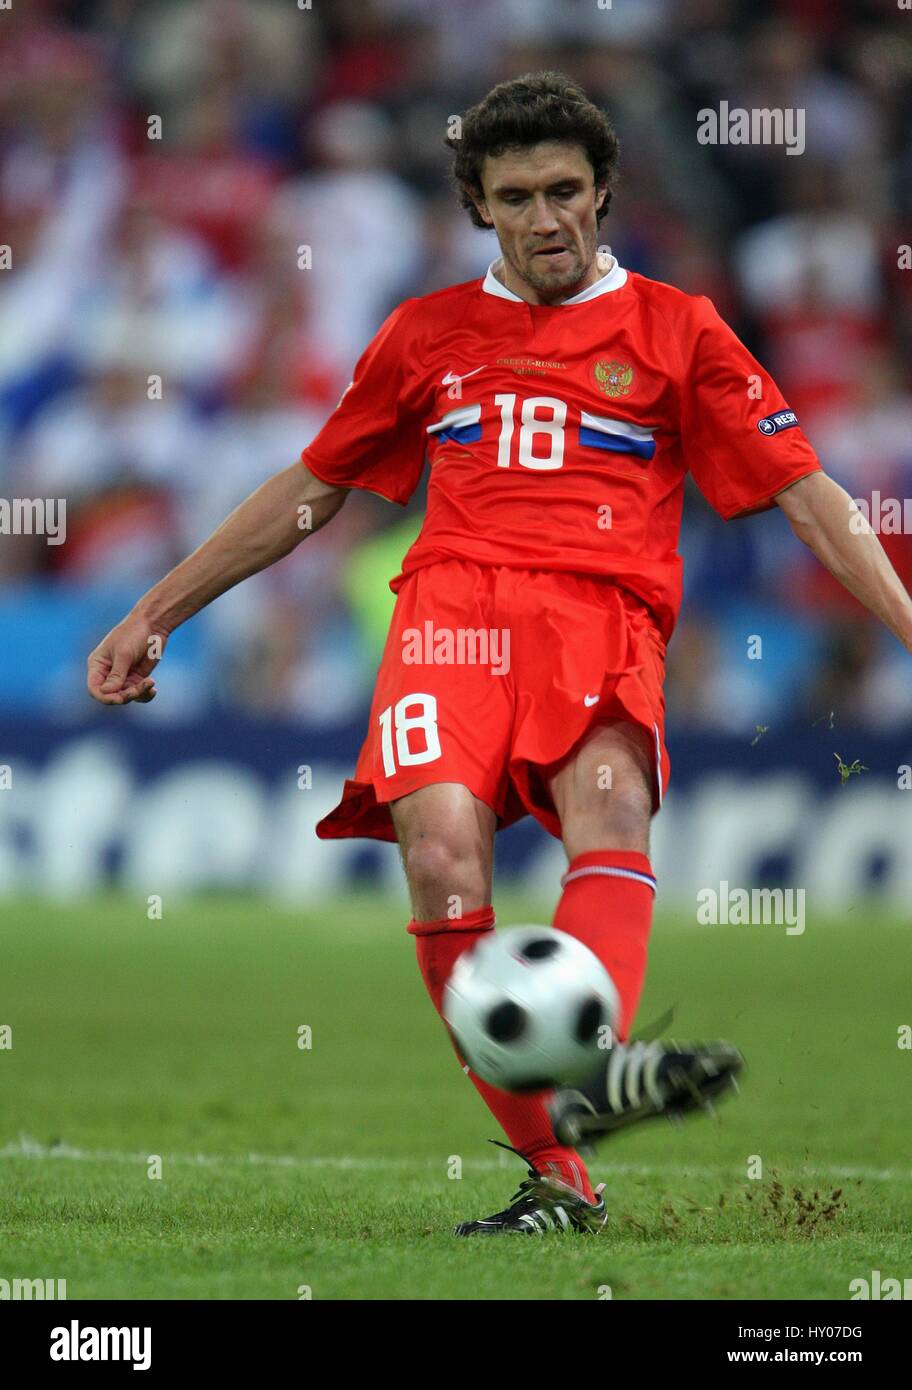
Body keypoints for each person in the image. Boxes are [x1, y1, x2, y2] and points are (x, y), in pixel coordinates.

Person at [88, 72, 912, 1236]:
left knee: (611, 811)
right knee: (439, 858)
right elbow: (313, 490)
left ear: (605, 191)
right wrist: (156, 608)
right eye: (517, 195)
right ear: (479, 203)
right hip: (451, 611)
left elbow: (814, 499)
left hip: (605, 613)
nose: (546, 219)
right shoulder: (424, 335)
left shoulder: (682, 329)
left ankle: (592, 1067)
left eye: (567, 191)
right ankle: (563, 1171)